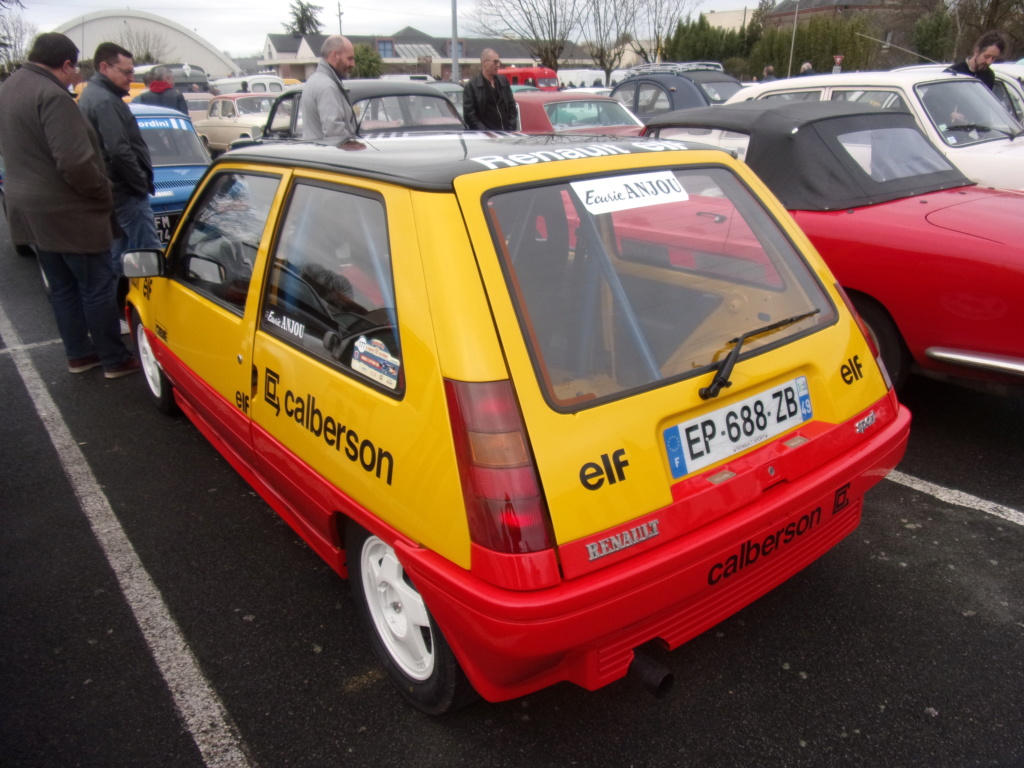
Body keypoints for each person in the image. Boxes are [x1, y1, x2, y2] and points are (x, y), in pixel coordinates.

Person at [0, 33, 139, 378]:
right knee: (96, 285)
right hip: (69, 213)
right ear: (64, 64)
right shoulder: (52, 96)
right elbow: (75, 162)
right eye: (75, 69)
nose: (76, 76)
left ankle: (78, 354)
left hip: (30, 211)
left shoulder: (9, 88)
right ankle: (113, 358)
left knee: (61, 287)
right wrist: (102, 191)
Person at [78, 41, 162, 311]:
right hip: (125, 191)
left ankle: (113, 307)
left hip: (115, 190)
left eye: (132, 72)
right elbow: (119, 151)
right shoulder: (104, 101)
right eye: (126, 72)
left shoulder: (96, 96)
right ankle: (156, 310)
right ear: (104, 67)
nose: (131, 78)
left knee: (120, 254)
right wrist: (140, 184)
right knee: (149, 253)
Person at [301, 35, 359, 143]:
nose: (353, 64)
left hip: (315, 153)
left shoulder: (314, 80)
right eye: (349, 58)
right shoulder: (327, 86)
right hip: (328, 157)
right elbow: (335, 133)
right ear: (334, 56)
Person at [462, 49, 518, 131]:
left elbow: (512, 107)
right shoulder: (471, 86)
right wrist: (486, 133)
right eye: (495, 62)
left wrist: (510, 129)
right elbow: (469, 116)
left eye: (499, 62)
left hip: (506, 136)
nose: (498, 65)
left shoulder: (503, 81)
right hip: (486, 138)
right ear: (484, 62)